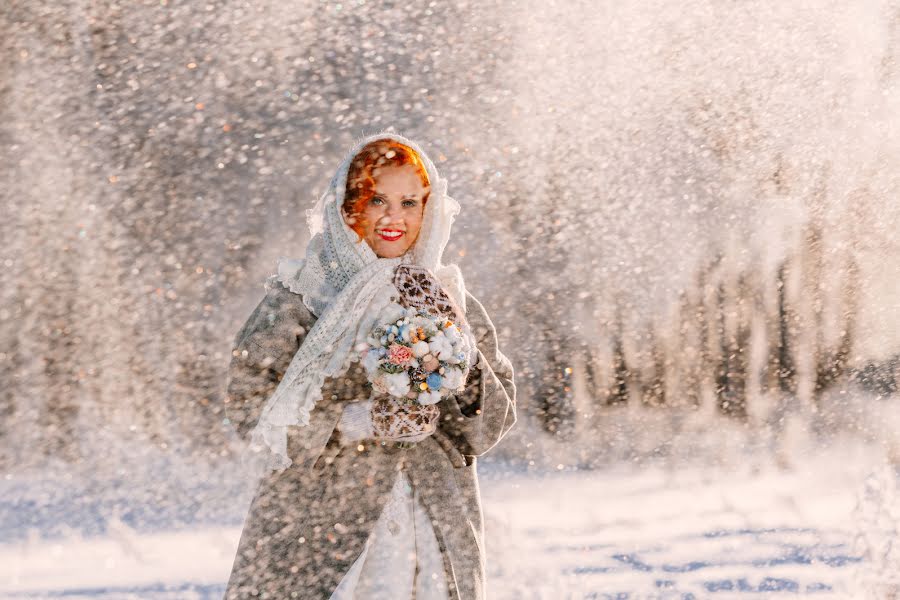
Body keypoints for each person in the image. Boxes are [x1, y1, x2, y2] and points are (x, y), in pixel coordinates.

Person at [223, 131, 517, 599]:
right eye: (378, 199)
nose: (394, 218)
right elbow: (248, 404)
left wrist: (450, 371)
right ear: (348, 206)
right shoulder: (304, 296)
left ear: (430, 208)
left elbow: (490, 424)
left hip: (431, 525)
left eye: (410, 202)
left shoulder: (450, 297)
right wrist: (348, 421)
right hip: (321, 529)